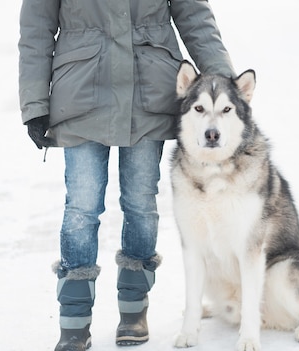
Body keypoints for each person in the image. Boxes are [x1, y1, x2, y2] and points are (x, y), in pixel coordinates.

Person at [18, 1, 235, 350]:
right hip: (80, 93)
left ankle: (134, 309)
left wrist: (225, 81)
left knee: (140, 204)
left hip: (149, 91)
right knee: (82, 207)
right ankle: (74, 319)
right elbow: (36, 28)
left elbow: (194, 15)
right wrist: (34, 102)